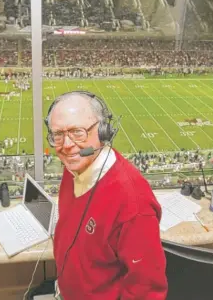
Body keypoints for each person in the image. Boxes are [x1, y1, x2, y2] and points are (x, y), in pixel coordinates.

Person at [45, 91, 167, 300]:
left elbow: (147, 292)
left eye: (77, 132)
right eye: (58, 134)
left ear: (103, 132)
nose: (66, 145)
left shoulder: (133, 203)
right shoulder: (73, 167)